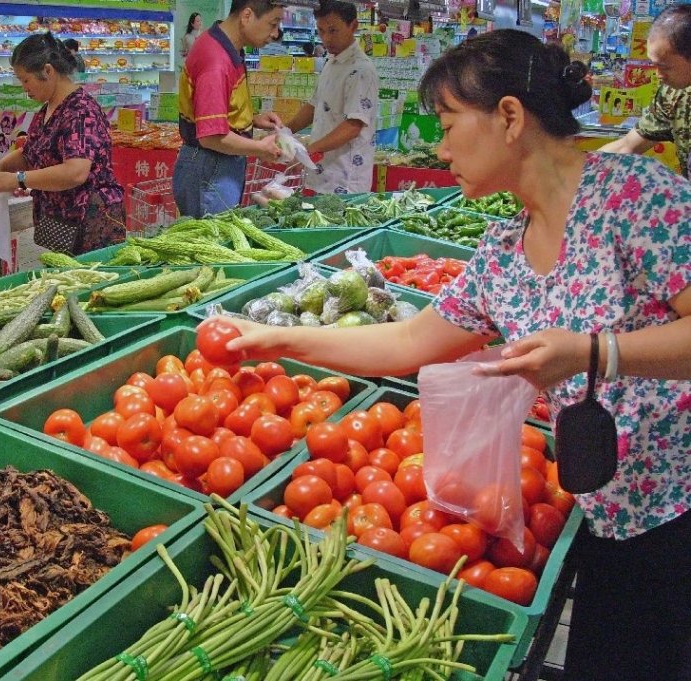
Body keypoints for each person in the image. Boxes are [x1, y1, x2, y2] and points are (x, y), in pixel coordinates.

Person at [221, 29, 690, 681]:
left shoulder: (634, 196)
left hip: (677, 505)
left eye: (446, 124)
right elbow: (409, 340)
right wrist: (277, 338)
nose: (439, 150)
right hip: (607, 507)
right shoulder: (504, 251)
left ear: (508, 117)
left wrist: (594, 352)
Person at [0, 33, 125, 255]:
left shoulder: (80, 111)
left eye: (25, 80)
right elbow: (29, 153)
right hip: (63, 222)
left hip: (90, 223)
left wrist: (18, 180)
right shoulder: (48, 109)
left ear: (48, 71)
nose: (24, 88)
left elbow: (75, 172)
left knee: (86, 284)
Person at [173, 0, 284, 218]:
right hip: (211, 167)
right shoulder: (216, 60)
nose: (275, 33)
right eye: (273, 24)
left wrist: (250, 119)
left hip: (215, 164)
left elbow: (217, 107)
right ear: (247, 16)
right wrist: (260, 148)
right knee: (213, 244)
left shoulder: (225, 45)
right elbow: (211, 137)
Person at [284, 0, 379, 194]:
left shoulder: (361, 70)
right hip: (321, 173)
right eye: (321, 31)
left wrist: (309, 149)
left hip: (346, 179)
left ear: (353, 26)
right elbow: (314, 105)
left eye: (333, 30)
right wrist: (286, 130)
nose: (326, 38)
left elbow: (353, 126)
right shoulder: (331, 62)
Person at [599, 4, 690, 178]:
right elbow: (627, 146)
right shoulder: (673, 96)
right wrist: (580, 171)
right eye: (654, 64)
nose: (658, 75)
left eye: (664, 67)